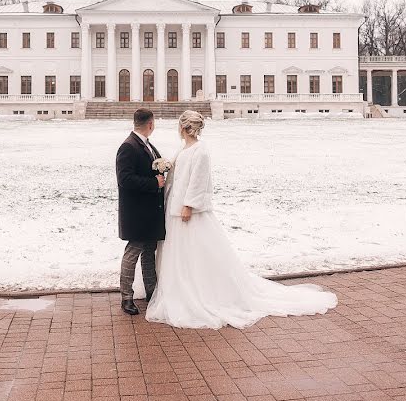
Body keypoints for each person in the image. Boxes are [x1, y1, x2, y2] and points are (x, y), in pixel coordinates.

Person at [145, 110, 337, 329]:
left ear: (183, 127)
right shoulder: (183, 149)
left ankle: (202, 292)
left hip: (188, 211)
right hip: (174, 209)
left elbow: (199, 182)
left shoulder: (200, 151)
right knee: (178, 253)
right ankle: (179, 287)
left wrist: (189, 205)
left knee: (195, 253)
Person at [115, 108, 166, 316]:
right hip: (137, 212)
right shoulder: (128, 147)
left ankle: (151, 292)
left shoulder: (146, 145)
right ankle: (126, 296)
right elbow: (124, 180)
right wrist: (153, 182)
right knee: (133, 251)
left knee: (148, 251)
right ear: (150, 124)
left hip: (149, 211)